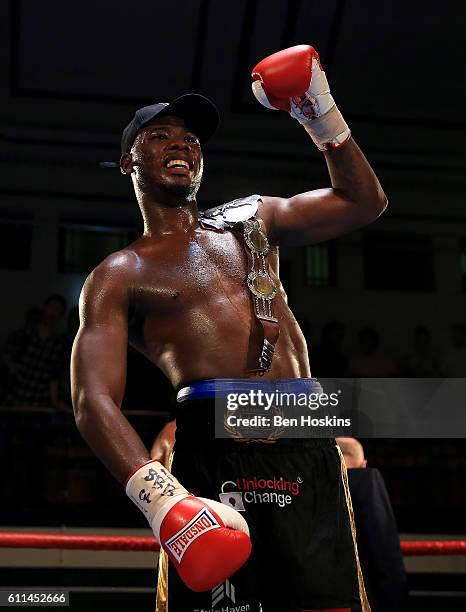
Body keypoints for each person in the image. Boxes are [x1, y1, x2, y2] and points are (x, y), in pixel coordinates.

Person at [72, 44, 387, 611]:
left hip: (305, 430)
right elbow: (92, 400)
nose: (183, 144)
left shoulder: (254, 219)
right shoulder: (118, 275)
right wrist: (161, 501)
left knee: (328, 603)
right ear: (129, 163)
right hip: (217, 439)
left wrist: (321, 113)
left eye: (192, 139)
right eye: (161, 135)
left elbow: (363, 202)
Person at [336, 438, 408, 612]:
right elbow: (386, 555)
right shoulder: (367, 481)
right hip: (365, 601)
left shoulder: (306, 488)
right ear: (364, 464)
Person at [4, 294, 67, 407]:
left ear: (61, 316)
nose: (53, 311)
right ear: (44, 308)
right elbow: (6, 354)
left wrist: (54, 402)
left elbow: (54, 377)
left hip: (39, 402)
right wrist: (13, 367)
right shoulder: (23, 335)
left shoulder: (59, 345)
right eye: (51, 307)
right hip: (14, 398)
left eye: (58, 310)